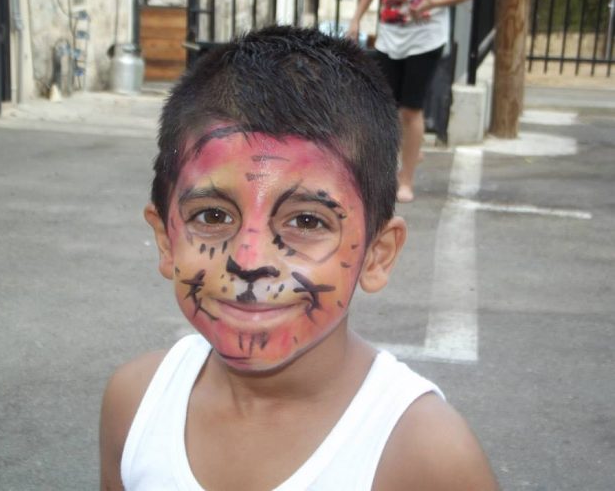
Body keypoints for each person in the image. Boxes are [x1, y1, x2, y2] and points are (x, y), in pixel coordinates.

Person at [99, 25, 498, 490]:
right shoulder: (136, 405)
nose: (249, 261)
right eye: (213, 215)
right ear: (166, 240)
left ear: (377, 255)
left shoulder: (426, 456)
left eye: (307, 221)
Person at [348, 0, 473, 202]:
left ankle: (406, 180)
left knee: (410, 110)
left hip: (426, 37)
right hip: (389, 37)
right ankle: (396, 162)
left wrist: (433, 3)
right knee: (385, 108)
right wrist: (356, 18)